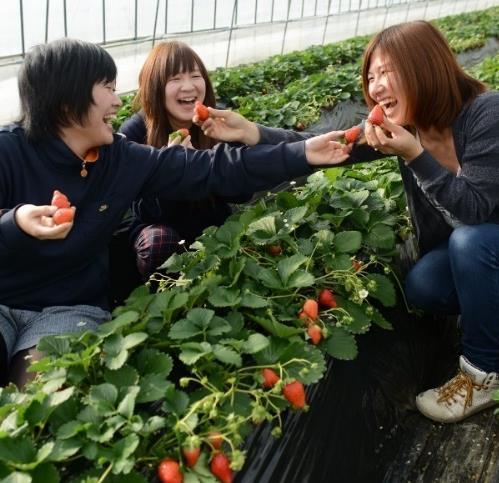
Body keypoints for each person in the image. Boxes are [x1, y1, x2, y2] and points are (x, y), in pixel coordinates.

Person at [0, 38, 349, 388]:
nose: (117, 100)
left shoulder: (120, 159)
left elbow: (218, 169)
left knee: (34, 397)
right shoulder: (8, 151)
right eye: (107, 87)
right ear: (66, 104)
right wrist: (14, 223)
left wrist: (302, 152)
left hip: (68, 309)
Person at [197, 20, 499, 423]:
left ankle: (483, 376)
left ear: (424, 66)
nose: (374, 87)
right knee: (425, 285)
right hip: (482, 255)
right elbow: (332, 144)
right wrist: (251, 131)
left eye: (386, 72)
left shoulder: (486, 114)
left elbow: (472, 212)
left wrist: (415, 155)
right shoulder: (407, 126)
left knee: (470, 243)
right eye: (370, 76)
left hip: (486, 244)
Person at [119, 41, 249, 281]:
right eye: (175, 79)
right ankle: (162, 296)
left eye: (195, 76)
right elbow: (144, 211)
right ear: (155, 87)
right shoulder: (135, 132)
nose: (188, 87)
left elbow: (243, 195)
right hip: (161, 226)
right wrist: (170, 170)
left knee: (243, 235)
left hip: (212, 221)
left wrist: (226, 159)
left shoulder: (217, 120)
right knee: (159, 242)